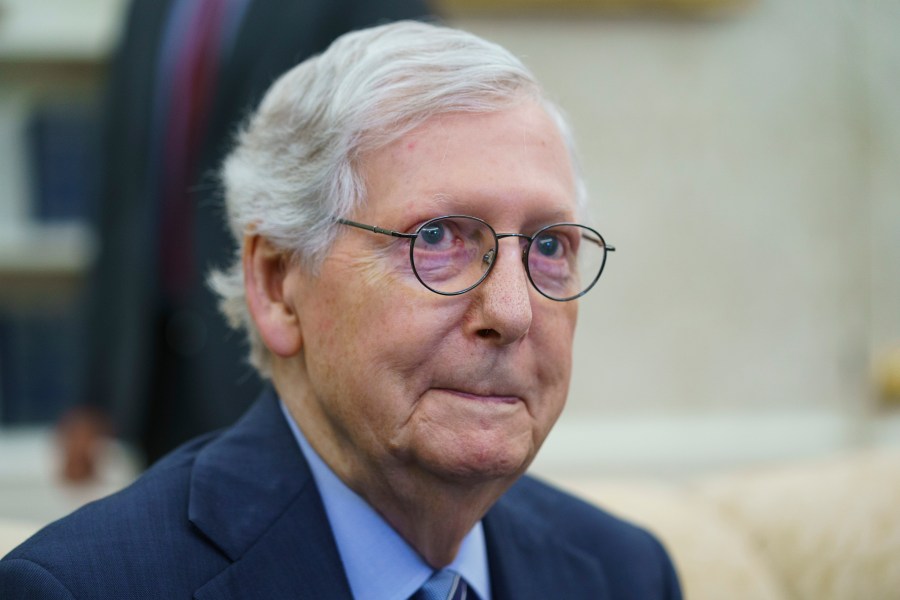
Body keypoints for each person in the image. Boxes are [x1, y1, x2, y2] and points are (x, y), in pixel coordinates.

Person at [1, 21, 682, 599]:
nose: (512, 311)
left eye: (549, 246)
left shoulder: (624, 574)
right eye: (437, 238)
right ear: (277, 285)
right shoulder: (84, 588)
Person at [59, 0, 430, 480]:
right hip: (159, 373)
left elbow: (414, 152)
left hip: (292, 366)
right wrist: (94, 391)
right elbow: (119, 196)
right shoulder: (149, 9)